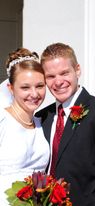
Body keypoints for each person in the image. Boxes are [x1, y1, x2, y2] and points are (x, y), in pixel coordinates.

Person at [36, 43, 95, 205]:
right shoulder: (41, 116)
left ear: (77, 70)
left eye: (64, 73)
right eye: (51, 76)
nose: (58, 82)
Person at [0, 48, 49, 205]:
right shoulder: (2, 120)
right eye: (25, 87)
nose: (34, 94)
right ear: (11, 88)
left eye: (40, 86)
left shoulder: (42, 124)